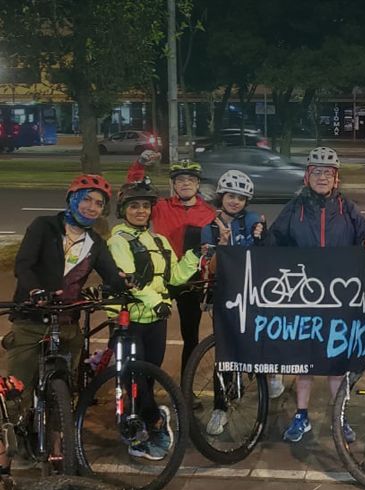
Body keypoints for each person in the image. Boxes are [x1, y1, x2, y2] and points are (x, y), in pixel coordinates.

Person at [267, 147, 365, 444]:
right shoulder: (294, 208)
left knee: (336, 362)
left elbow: (364, 237)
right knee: (305, 361)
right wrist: (256, 239)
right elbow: (273, 244)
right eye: (317, 172)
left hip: (338, 297)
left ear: (336, 179)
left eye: (328, 173)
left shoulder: (347, 209)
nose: (322, 177)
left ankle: (340, 416)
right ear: (307, 176)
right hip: (304, 297)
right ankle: (302, 416)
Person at [3, 175, 125, 410]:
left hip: (68, 324)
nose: (92, 207)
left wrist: (124, 282)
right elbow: (24, 265)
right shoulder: (44, 226)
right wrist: (35, 290)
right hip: (31, 321)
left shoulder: (95, 242)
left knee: (65, 392)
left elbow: (111, 273)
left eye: (99, 204)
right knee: (18, 393)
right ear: (72, 199)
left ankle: (59, 441)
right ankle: (14, 442)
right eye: (87, 199)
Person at [107, 178, 202, 460]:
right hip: (129, 320)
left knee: (148, 376)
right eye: (134, 206)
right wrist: (155, 301)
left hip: (156, 320)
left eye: (145, 207)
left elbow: (174, 276)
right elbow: (128, 279)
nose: (140, 211)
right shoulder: (118, 240)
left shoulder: (158, 240)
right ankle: (151, 423)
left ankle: (139, 421)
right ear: (123, 209)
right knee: (134, 376)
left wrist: (196, 256)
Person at [127, 157, 216, 379]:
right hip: (160, 276)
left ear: (197, 184)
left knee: (190, 336)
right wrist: (140, 163)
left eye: (190, 179)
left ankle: (186, 388)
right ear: (174, 185)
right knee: (148, 332)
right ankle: (143, 385)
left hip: (190, 277)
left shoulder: (209, 213)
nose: (185, 183)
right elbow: (133, 187)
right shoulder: (160, 206)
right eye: (180, 180)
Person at [200, 170, 268, 436]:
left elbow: (265, 255)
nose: (235, 202)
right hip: (225, 294)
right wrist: (222, 246)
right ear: (221, 196)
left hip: (252, 293)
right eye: (231, 196)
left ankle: (267, 377)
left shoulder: (253, 220)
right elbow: (210, 268)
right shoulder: (210, 227)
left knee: (259, 339)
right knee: (225, 353)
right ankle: (220, 407)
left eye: (241, 198)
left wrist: (263, 235)